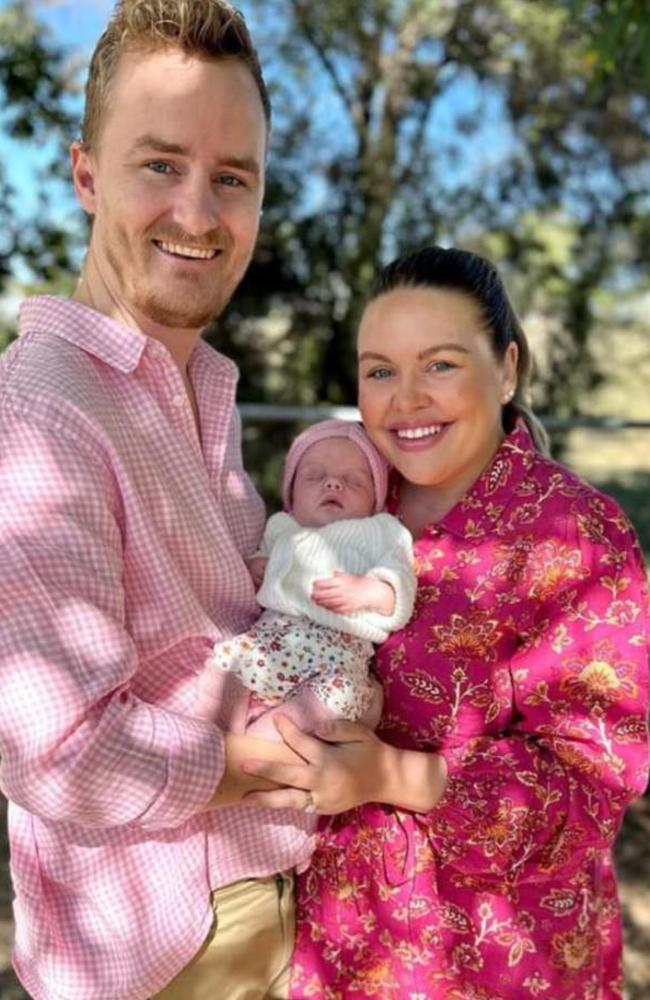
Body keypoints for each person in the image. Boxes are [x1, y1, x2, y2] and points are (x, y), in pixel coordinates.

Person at [0, 2, 315, 998]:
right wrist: (280, 760)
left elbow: (224, 622)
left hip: (246, 908)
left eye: (232, 178)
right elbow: (56, 753)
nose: (198, 211)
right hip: (158, 953)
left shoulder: (201, 386)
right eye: (159, 165)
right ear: (86, 173)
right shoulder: (46, 415)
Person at [241, 246, 650, 999]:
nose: (405, 400)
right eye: (380, 370)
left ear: (509, 369)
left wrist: (387, 774)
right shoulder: (354, 500)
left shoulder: (581, 537)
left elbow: (590, 785)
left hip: (497, 960)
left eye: (440, 365)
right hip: (337, 942)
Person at [194, 419, 416, 740]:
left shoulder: (382, 530)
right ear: (292, 495)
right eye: (314, 477)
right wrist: (257, 566)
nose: (333, 485)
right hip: (274, 640)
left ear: (375, 500)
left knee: (339, 698)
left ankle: (263, 743)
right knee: (224, 665)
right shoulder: (282, 526)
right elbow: (257, 564)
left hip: (339, 653)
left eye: (353, 482)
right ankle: (218, 736)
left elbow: (402, 584)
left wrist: (371, 591)